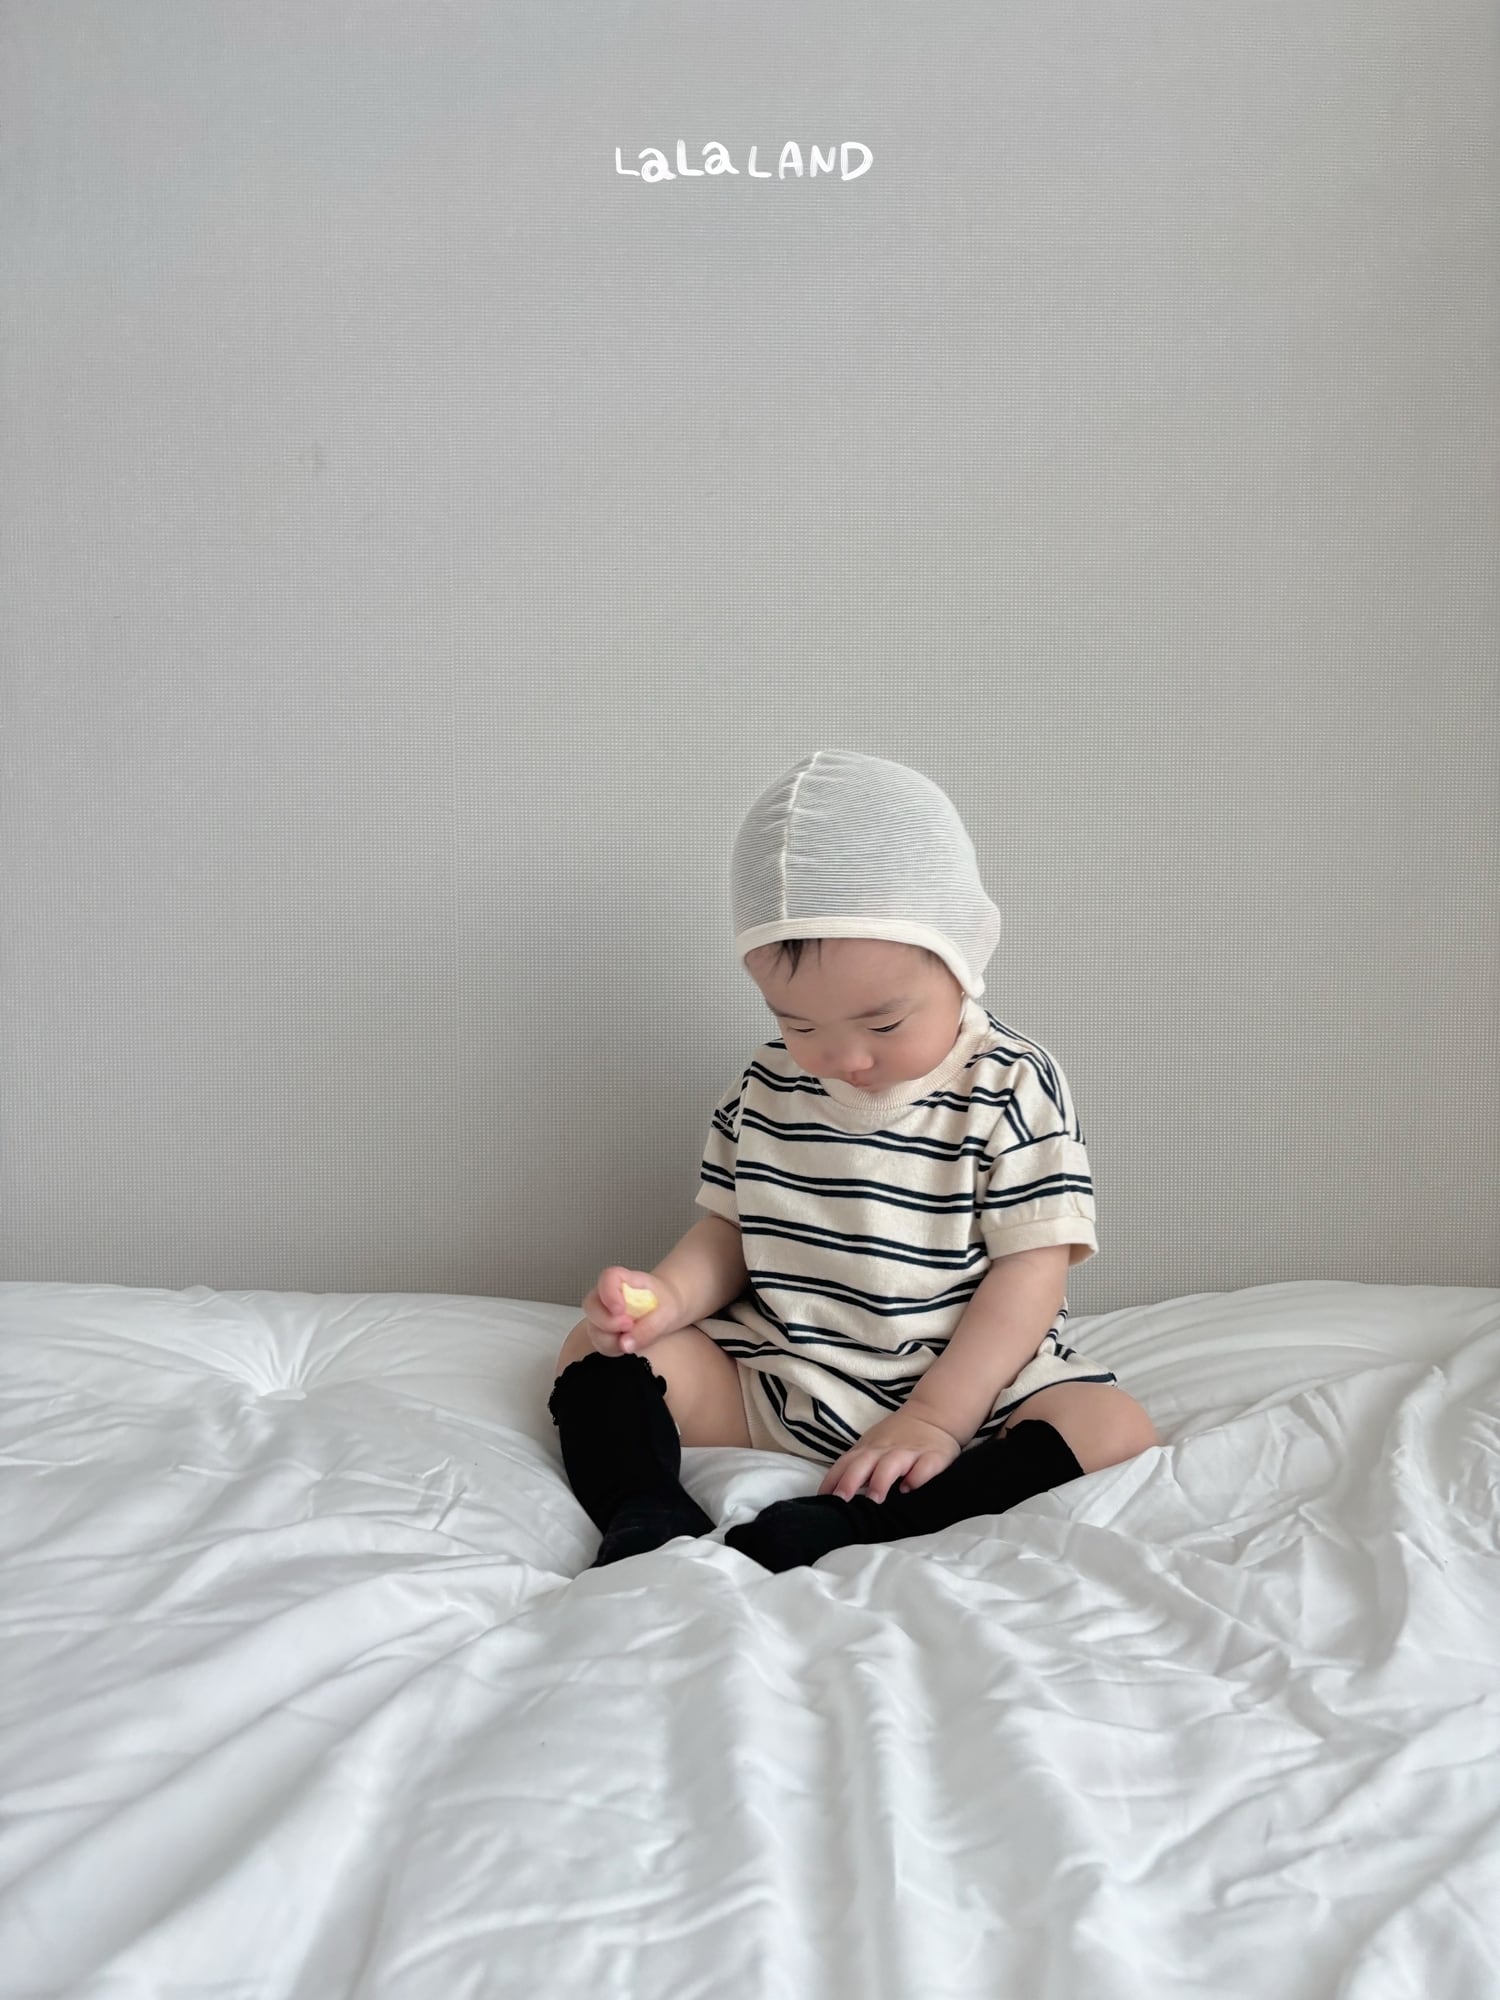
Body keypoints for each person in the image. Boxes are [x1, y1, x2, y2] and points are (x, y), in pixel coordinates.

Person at [548, 748, 1156, 1572]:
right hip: (788, 1381)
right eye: (799, 1024)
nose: (845, 1059)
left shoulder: (1010, 1083)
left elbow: (1031, 1274)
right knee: (592, 1354)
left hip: (970, 1390)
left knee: (1111, 1427)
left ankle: (873, 1520)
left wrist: (937, 1418)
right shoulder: (767, 1084)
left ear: (962, 960)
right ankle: (644, 1510)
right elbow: (730, 1234)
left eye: (883, 1024)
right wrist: (665, 1301)